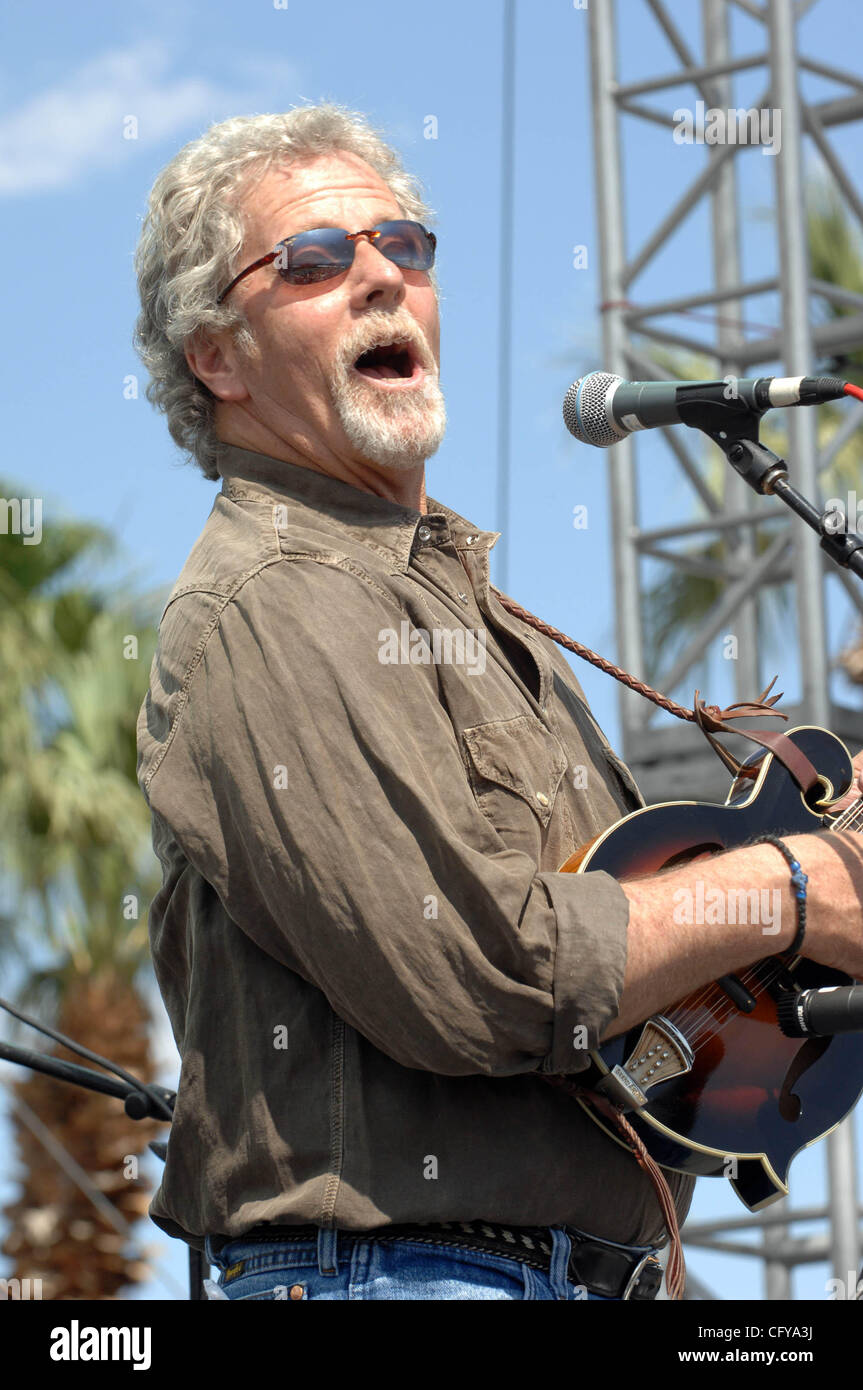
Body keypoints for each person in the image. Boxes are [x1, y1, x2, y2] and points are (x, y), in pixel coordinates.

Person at [134, 103, 863, 1302]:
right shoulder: (272, 602)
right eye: (314, 261)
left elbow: (629, 1016)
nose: (379, 277)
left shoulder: (470, 609)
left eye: (404, 246)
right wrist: (788, 891)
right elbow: (483, 975)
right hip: (403, 1271)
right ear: (215, 353)